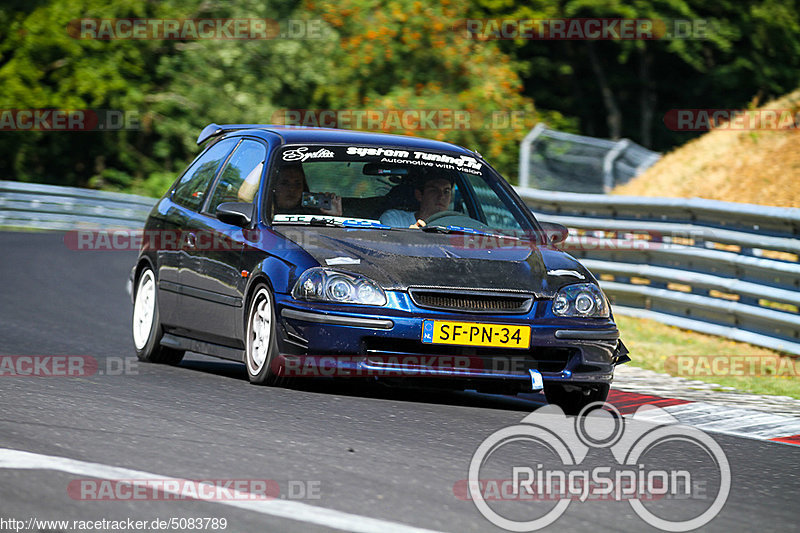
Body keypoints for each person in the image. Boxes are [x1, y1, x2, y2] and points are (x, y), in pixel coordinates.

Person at [380, 175, 454, 228]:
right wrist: (411, 236)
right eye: (434, 190)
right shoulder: (394, 219)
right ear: (419, 195)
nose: (441, 196)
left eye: (446, 191)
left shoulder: (457, 225)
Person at [272, 163, 342, 216]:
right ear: (274, 186)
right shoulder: (264, 213)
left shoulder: (313, 215)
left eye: (298, 184)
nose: (292, 189)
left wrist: (334, 217)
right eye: (285, 183)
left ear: (303, 188)